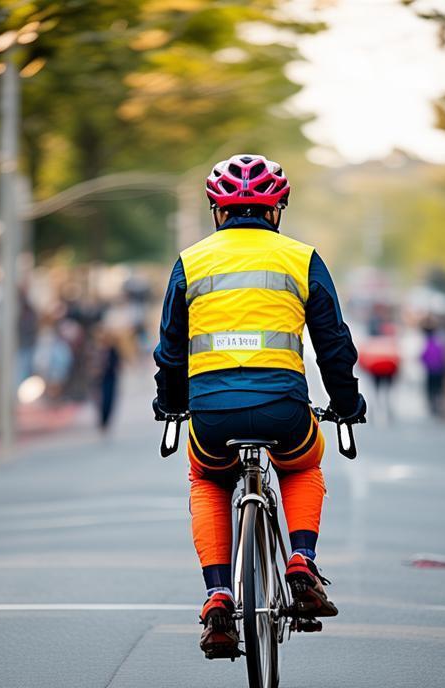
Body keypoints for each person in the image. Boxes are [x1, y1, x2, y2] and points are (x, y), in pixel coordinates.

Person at [153, 153, 365, 658]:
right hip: (284, 409)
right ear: (276, 211)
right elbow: (333, 343)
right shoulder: (301, 258)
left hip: (211, 414)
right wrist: (346, 403)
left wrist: (170, 403)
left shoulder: (190, 262)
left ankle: (217, 596)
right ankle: (301, 561)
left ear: (216, 211)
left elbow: (170, 350)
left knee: (207, 479)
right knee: (303, 465)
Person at [420, 322, 445, 416]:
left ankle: (433, 404)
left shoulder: (428, 344)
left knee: (431, 389)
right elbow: (443, 357)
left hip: (432, 371)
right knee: (437, 389)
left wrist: (427, 364)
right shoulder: (439, 344)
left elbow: (422, 356)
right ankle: (436, 404)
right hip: (438, 370)